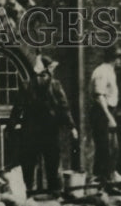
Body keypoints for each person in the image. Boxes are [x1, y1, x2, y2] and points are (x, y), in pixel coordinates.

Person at [9, 55, 78, 194]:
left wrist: (11, 126)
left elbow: (17, 108)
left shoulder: (26, 84)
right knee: (52, 167)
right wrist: (72, 127)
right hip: (50, 133)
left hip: (30, 133)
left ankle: (29, 196)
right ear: (48, 69)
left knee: (29, 168)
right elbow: (64, 108)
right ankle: (54, 196)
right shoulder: (55, 85)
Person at [88, 45, 121, 183]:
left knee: (113, 146)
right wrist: (109, 117)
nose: (120, 61)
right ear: (113, 58)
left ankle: (110, 174)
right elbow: (99, 96)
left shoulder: (110, 71)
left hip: (108, 111)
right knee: (105, 147)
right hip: (102, 112)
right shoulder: (102, 71)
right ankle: (104, 177)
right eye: (119, 58)